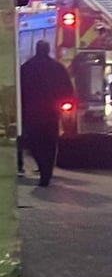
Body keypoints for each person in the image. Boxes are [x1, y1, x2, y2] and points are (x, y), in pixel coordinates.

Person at [20, 40, 74, 187]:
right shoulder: (57, 68)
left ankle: (43, 167)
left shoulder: (26, 68)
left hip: (32, 114)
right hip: (51, 113)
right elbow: (67, 88)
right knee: (50, 143)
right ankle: (47, 172)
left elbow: (20, 90)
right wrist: (67, 106)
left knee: (34, 143)